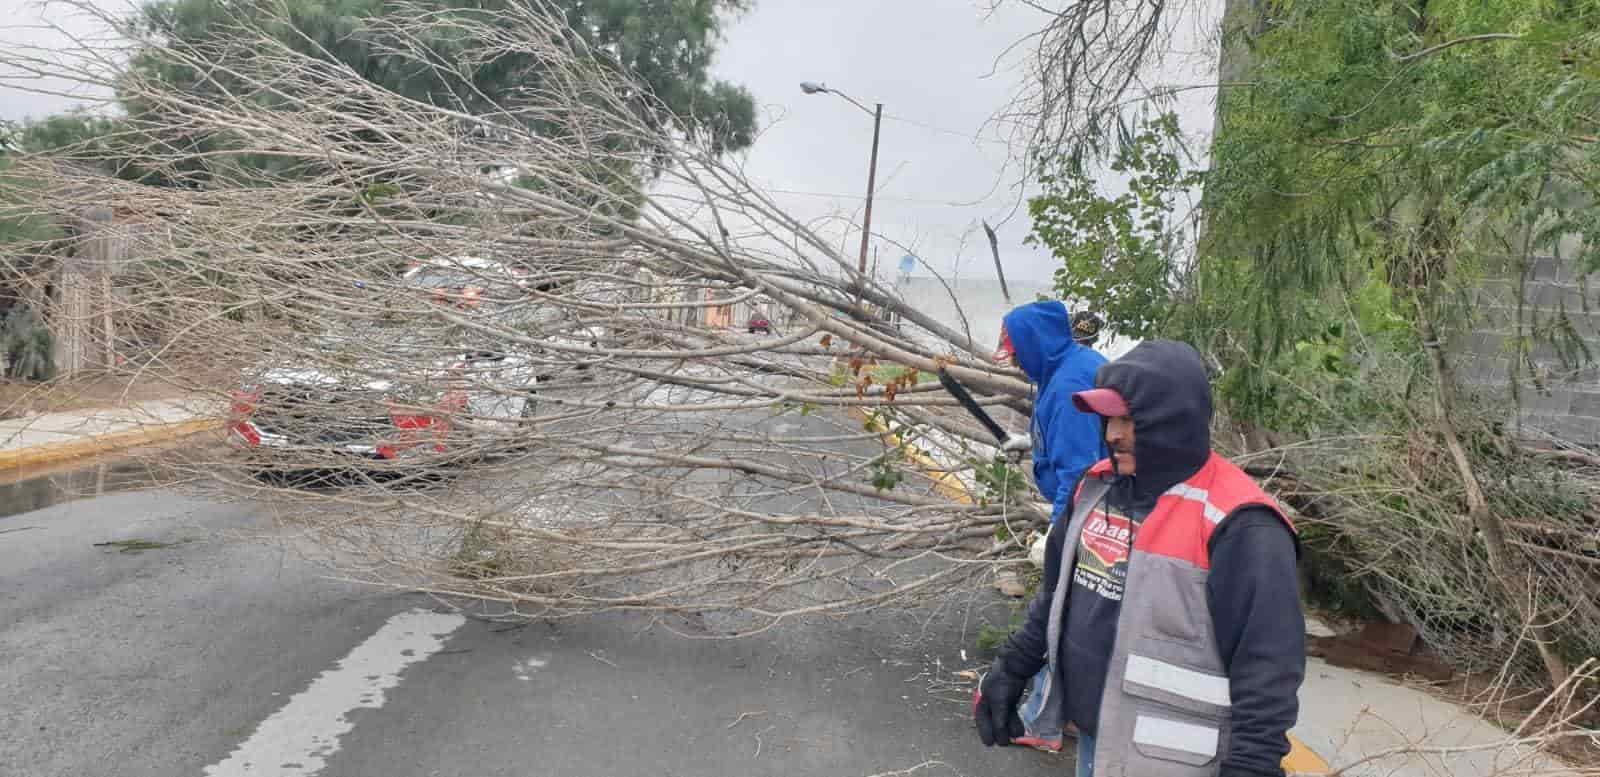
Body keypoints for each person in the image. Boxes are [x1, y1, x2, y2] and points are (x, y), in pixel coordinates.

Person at [975, 339, 1305, 777]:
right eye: (1109, 418)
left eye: (1128, 419)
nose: (1112, 433)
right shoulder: (1094, 491)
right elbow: (1055, 598)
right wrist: (1011, 668)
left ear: (1171, 422)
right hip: (1101, 745)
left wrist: (1253, 767)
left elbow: (1268, 665)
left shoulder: (1241, 525)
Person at [991, 301, 1108, 751]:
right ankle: (1072, 710)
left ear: (1035, 344)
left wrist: (1058, 539)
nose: (1016, 362)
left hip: (1097, 516)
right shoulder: (1064, 367)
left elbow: (1079, 475)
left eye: (1017, 352)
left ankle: (1042, 724)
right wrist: (1033, 445)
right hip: (1105, 512)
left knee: (1058, 610)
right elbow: (1067, 450)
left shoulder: (1068, 385)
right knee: (1078, 616)